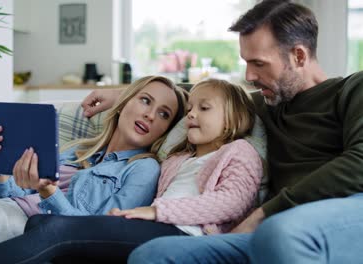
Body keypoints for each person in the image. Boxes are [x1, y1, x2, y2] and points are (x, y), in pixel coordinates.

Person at [82, 0, 363, 263]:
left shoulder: (351, 90)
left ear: (299, 56)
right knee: (152, 255)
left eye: (259, 64)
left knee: (280, 234)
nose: (249, 76)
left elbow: (359, 162)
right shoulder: (267, 102)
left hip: (334, 218)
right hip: (266, 232)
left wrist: (266, 212)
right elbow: (208, 98)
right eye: (246, 63)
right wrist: (126, 95)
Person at [0, 78, 263, 264]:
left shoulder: (145, 170)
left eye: (164, 115)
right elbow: (5, 199)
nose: (151, 114)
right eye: (145, 101)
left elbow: (82, 234)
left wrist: (48, 193)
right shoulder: (76, 152)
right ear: (124, 104)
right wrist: (3, 174)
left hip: (4, 232)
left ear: (167, 131)